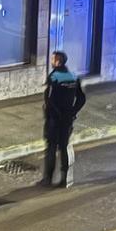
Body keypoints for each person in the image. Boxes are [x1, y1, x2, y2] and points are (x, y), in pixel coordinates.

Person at [42, 51, 86, 188]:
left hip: (54, 119)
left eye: (53, 59)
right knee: (64, 147)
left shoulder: (54, 77)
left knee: (51, 147)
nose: (51, 61)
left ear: (58, 62)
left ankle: (48, 179)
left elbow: (49, 99)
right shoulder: (74, 77)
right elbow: (81, 98)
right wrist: (73, 111)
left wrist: (51, 113)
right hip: (67, 118)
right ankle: (64, 179)